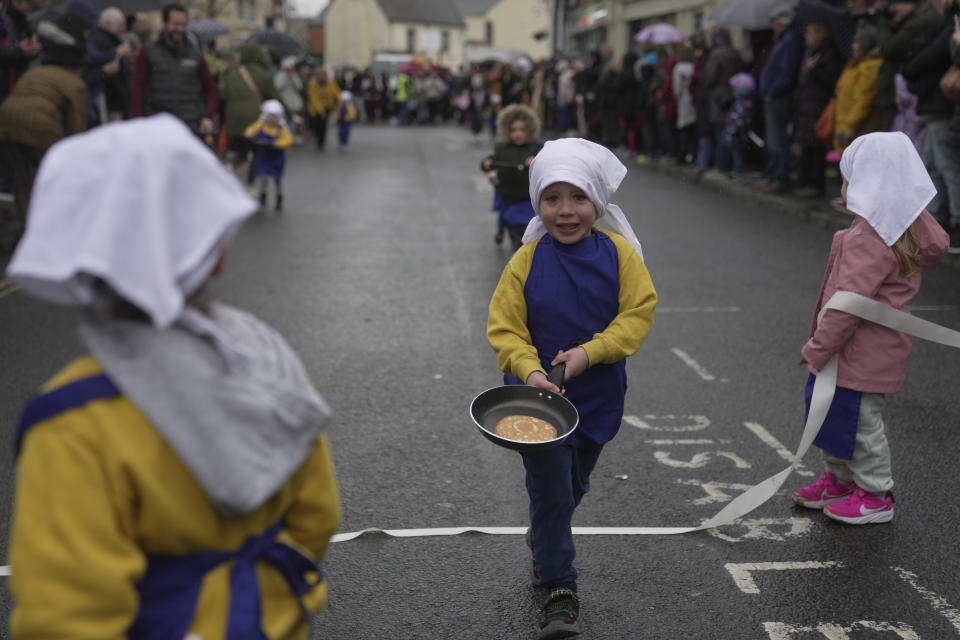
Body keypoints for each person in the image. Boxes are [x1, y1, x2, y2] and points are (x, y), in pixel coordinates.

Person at [5, 113, 341, 637]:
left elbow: (65, 614)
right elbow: (317, 514)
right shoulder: (266, 360)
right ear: (217, 256)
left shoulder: (70, 423)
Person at [486, 138, 657, 639]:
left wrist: (590, 352)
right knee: (554, 493)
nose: (566, 211)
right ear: (537, 202)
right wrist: (529, 369)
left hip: (598, 395)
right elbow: (504, 327)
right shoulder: (525, 259)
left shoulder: (621, 254)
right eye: (552, 199)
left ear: (597, 202)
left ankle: (544, 534)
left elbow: (637, 315)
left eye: (578, 198)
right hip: (535, 399)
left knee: (575, 484)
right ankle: (560, 589)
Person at [791, 131, 948, 525]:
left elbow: (848, 306)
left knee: (859, 425)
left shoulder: (871, 237)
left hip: (856, 350)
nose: (843, 185)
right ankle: (842, 480)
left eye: (848, 176)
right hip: (863, 349)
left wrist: (818, 347)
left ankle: (875, 493)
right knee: (835, 414)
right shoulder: (900, 228)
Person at [0, 12, 89, 222]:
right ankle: (40, 230)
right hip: (38, 133)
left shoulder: (36, 73)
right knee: (43, 186)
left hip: (4, 126)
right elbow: (76, 128)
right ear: (77, 68)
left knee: (22, 184)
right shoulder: (76, 85)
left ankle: (21, 232)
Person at [130, 2, 217, 135]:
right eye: (175, 24)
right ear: (164, 24)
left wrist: (207, 116)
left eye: (183, 25)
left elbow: (210, 88)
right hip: (157, 125)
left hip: (189, 125)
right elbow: (138, 88)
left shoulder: (195, 54)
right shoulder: (148, 52)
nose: (180, 29)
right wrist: (139, 121)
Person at [480, 103, 543, 250]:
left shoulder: (536, 147)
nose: (518, 134)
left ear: (530, 130)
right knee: (505, 215)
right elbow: (487, 161)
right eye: (514, 130)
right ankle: (502, 230)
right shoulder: (502, 148)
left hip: (527, 195)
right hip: (507, 192)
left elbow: (549, 163)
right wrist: (487, 164)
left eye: (522, 130)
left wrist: (536, 161)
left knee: (529, 227)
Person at [221, 42, 285, 187]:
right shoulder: (262, 75)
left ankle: (231, 167)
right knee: (257, 153)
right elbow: (275, 97)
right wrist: (287, 114)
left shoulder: (233, 74)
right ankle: (249, 185)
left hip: (234, 122)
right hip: (254, 120)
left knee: (241, 151)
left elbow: (223, 95)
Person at [792, 21, 843, 198]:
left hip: (818, 106)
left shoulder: (829, 53)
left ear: (821, 34)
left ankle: (815, 183)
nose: (807, 37)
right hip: (806, 105)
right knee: (807, 146)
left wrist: (814, 70)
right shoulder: (811, 52)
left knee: (816, 147)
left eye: (810, 33)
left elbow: (831, 81)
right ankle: (805, 180)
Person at [757, 4, 803, 193]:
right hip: (773, 97)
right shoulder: (784, 40)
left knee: (777, 140)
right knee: (773, 139)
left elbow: (786, 72)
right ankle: (772, 174)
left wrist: (772, 91)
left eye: (775, 22)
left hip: (778, 98)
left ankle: (779, 178)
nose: (773, 26)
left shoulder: (790, 41)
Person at [832, 24, 884, 154]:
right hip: (846, 125)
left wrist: (851, 126)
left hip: (856, 130)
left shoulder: (870, 67)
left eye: (858, 42)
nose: (853, 46)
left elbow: (863, 100)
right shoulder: (856, 64)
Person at [699, 27, 743, 171]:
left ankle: (723, 166)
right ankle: (733, 166)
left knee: (721, 134)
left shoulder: (716, 54)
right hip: (735, 95)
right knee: (732, 132)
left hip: (719, 99)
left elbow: (709, 78)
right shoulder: (735, 53)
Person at [245, 99, 292, 211]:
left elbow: (289, 140)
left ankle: (279, 197)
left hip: (276, 158)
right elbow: (251, 129)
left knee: (277, 179)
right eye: (269, 116)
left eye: (274, 117)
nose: (271, 119)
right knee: (263, 177)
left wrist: (279, 143)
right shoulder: (261, 125)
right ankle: (263, 196)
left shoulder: (281, 129)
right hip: (263, 156)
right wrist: (249, 133)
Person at [0, 0, 42, 103]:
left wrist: (29, 50)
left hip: (11, 87)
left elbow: (11, 46)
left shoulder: (6, 22)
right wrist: (20, 51)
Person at [719, 72, 756, 179]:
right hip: (737, 133)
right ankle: (735, 170)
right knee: (736, 153)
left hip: (737, 133)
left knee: (737, 154)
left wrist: (732, 130)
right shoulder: (743, 102)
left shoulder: (743, 103)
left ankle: (737, 172)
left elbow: (738, 119)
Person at [306, 66, 340, 150]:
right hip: (316, 109)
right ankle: (318, 139)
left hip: (327, 107)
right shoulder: (313, 84)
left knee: (323, 126)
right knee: (317, 125)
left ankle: (321, 142)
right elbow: (314, 98)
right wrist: (320, 110)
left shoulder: (330, 83)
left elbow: (337, 93)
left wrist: (341, 100)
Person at [274, 55, 304, 140]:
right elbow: (277, 87)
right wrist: (286, 78)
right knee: (283, 122)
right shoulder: (280, 75)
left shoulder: (294, 75)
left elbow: (299, 87)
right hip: (284, 103)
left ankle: (289, 137)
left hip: (294, 104)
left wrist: (293, 77)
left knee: (293, 122)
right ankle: (283, 136)